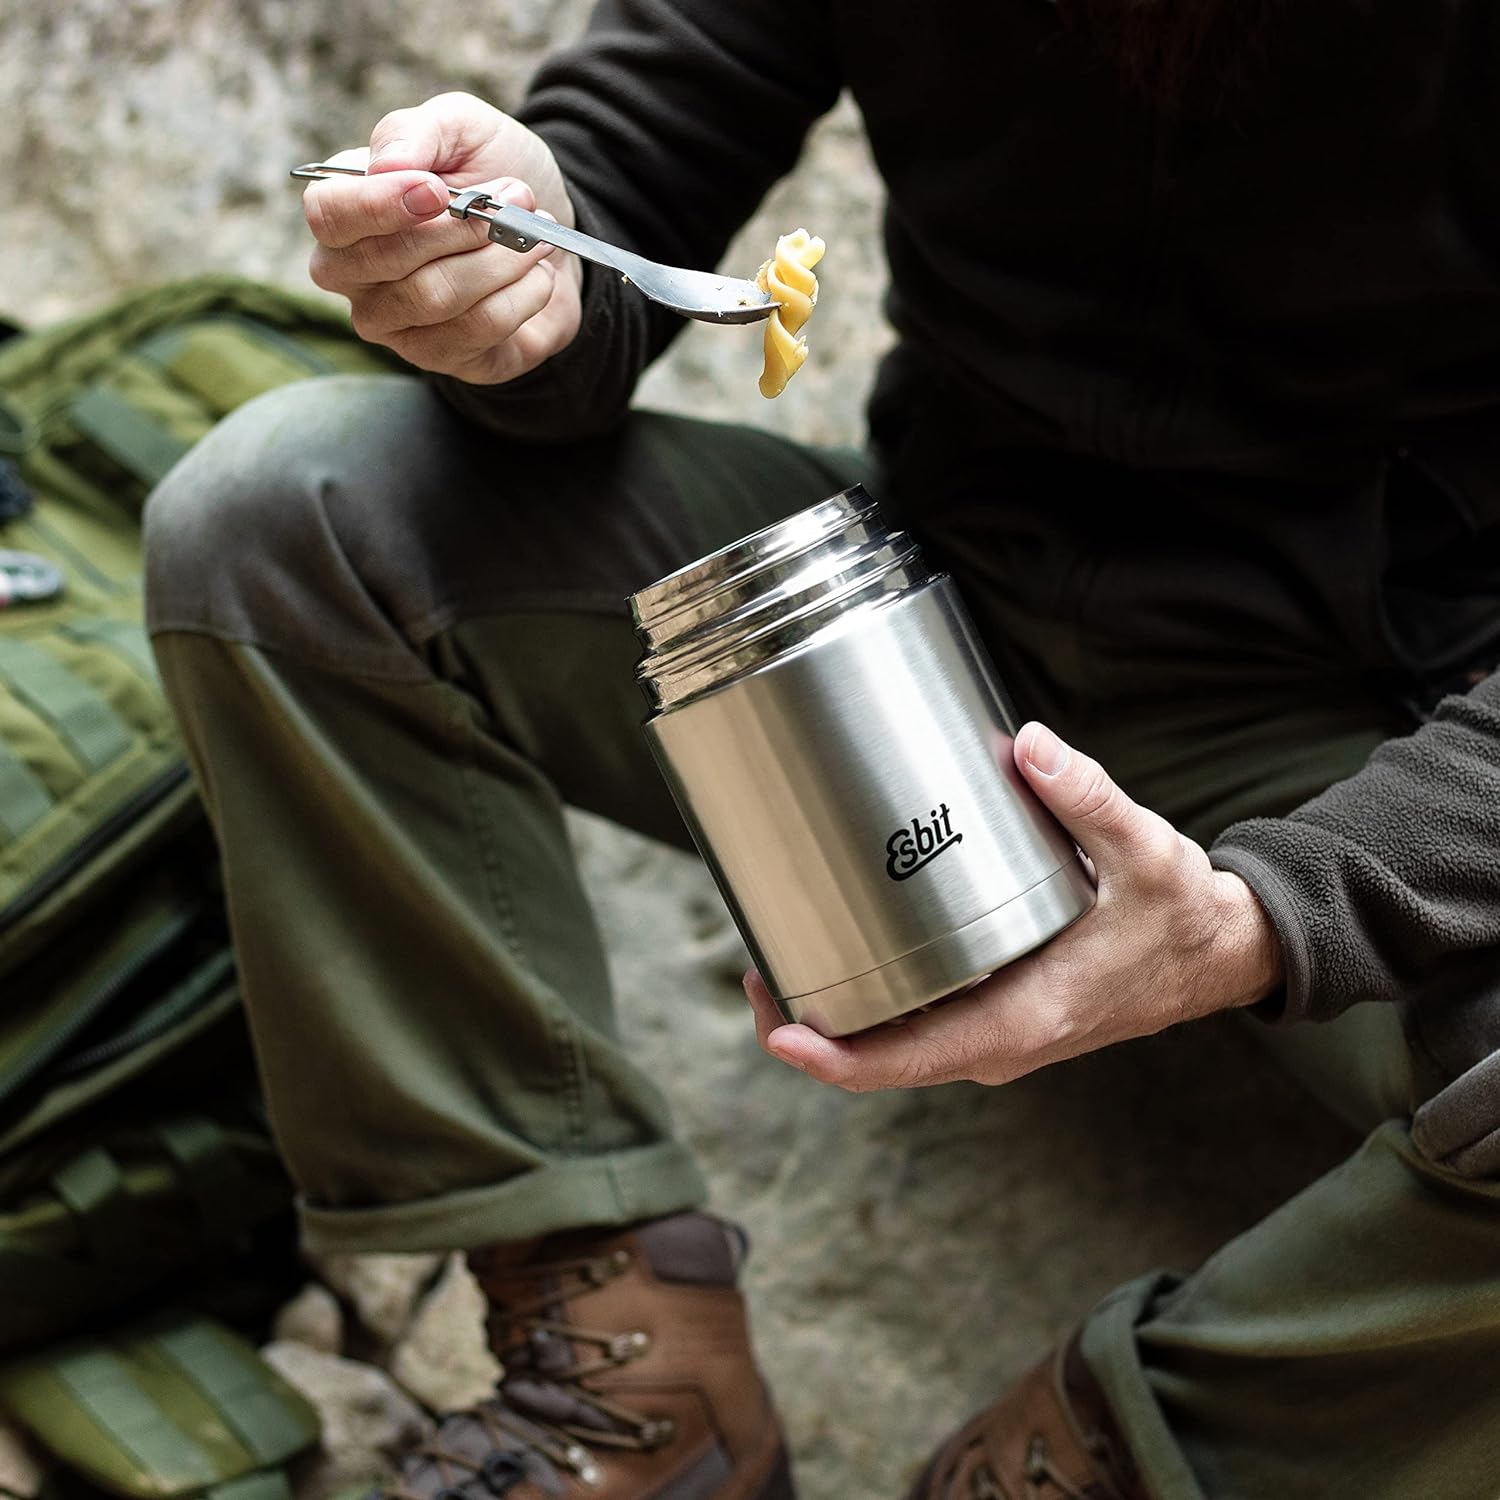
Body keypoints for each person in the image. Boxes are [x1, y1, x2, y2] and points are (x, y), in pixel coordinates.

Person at [142, 1, 1500, 1496]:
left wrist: (1270, 917)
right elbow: (644, 147)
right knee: (287, 517)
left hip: (1361, 735)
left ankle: (1108, 1460)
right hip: (905, 635)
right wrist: (523, 263)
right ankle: (638, 1395)